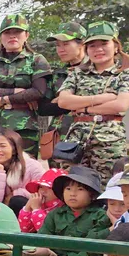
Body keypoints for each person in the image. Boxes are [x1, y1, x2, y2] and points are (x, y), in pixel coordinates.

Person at [56, 21, 129, 178]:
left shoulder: (124, 73)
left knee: (108, 186)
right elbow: (63, 101)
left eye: (104, 43)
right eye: (92, 45)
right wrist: (102, 98)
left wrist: (84, 109)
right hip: (76, 139)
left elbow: (120, 105)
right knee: (74, 184)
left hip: (110, 140)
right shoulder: (78, 73)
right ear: (87, 49)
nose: (98, 49)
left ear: (116, 46)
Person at [0, 14, 51, 167]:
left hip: (23, 127)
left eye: (17, 32)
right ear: (1, 37)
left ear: (26, 35)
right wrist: (18, 91)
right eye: (7, 33)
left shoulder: (37, 60)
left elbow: (38, 91)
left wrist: (2, 100)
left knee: (24, 171)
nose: (12, 36)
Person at [38, 165, 110, 256]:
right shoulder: (55, 214)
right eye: (68, 189)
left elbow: (94, 247)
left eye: (80, 189)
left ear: (92, 195)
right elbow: (41, 240)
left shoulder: (100, 216)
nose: (72, 194)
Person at [41, 22, 90, 161]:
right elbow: (44, 108)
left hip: (88, 137)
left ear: (82, 44)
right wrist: (73, 101)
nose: (60, 49)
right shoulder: (58, 74)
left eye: (66, 44)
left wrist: (62, 100)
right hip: (58, 139)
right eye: (58, 45)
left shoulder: (96, 71)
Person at [0, 129, 45, 214]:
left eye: (2, 146)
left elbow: (44, 194)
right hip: (2, 213)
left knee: (17, 201)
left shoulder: (32, 166)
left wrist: (16, 193)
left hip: (31, 212)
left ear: (14, 150)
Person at [18, 168, 67, 233]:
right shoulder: (40, 203)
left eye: (49, 188)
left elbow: (46, 232)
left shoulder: (61, 207)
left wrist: (36, 210)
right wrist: (28, 207)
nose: (43, 191)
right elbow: (26, 229)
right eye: (41, 187)